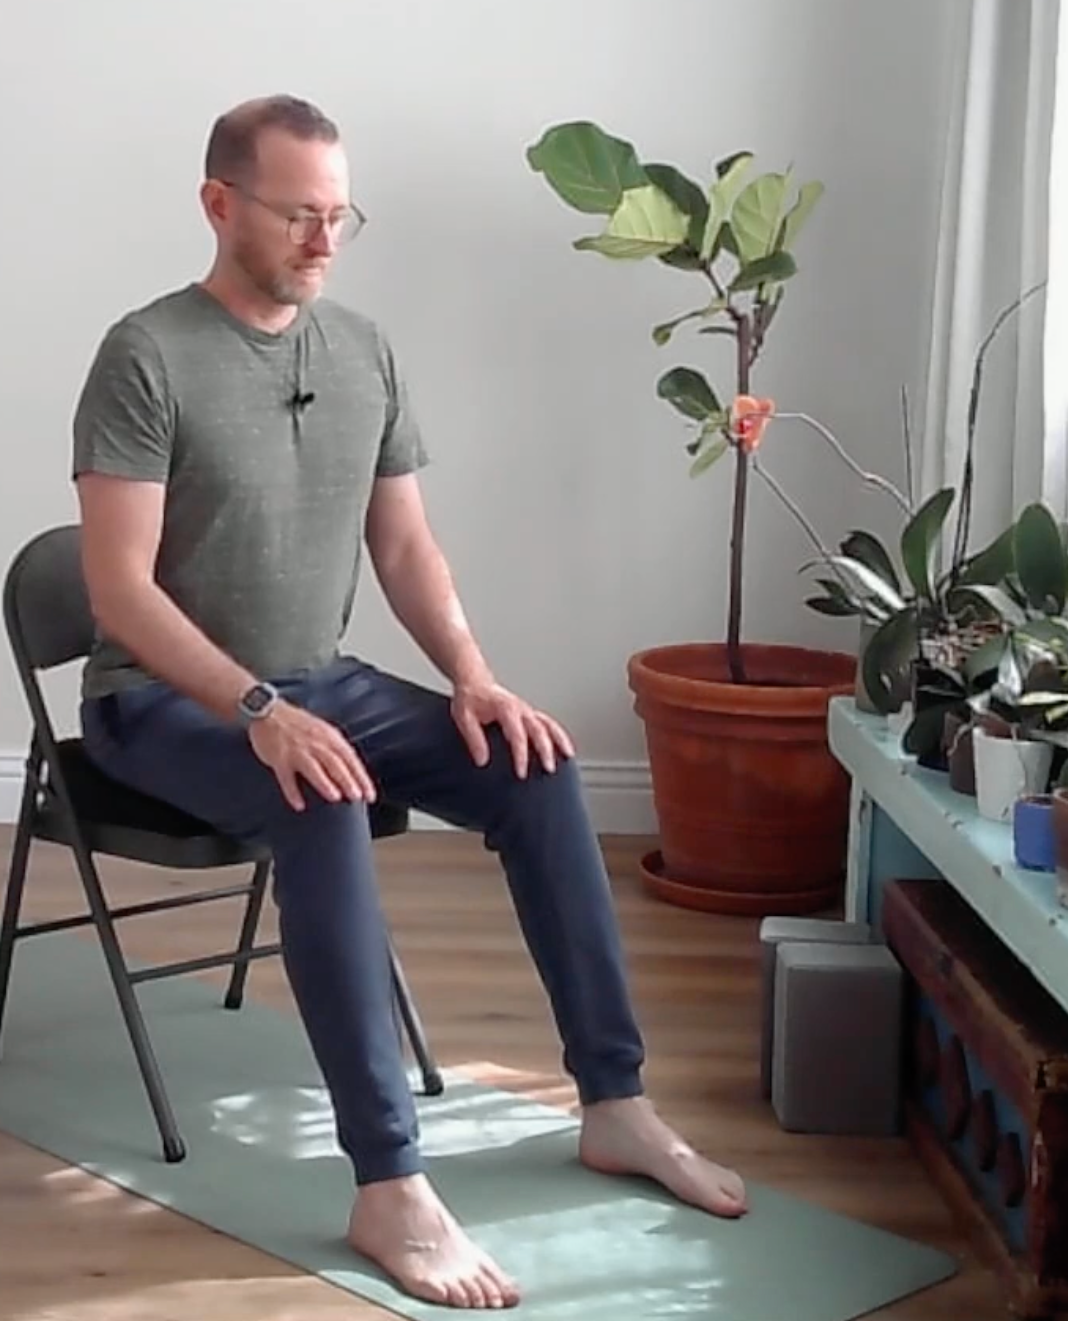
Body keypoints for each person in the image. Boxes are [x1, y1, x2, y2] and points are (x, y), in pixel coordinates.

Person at [67, 94, 748, 1311]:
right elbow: (115, 591)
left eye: (340, 215)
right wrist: (259, 704)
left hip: (316, 682)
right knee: (316, 793)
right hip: (162, 703)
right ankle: (388, 1183)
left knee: (534, 766)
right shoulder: (146, 353)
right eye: (297, 214)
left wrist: (475, 678)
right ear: (220, 204)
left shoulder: (363, 348)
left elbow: (404, 543)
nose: (323, 239)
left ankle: (615, 1102)